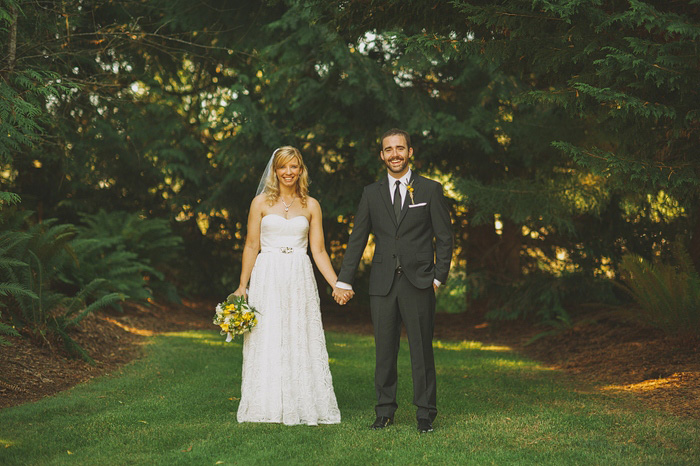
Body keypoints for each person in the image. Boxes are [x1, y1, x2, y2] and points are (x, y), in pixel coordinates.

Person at [333, 128, 453, 433]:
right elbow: (358, 239)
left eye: (400, 148)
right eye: (389, 150)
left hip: (419, 282)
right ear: (382, 155)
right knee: (384, 350)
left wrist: (438, 278)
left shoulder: (430, 190)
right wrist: (344, 280)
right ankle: (384, 411)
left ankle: (425, 413)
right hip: (382, 283)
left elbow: (445, 237)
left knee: (421, 350)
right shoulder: (370, 194)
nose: (395, 154)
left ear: (410, 152)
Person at [232, 146, 343, 426]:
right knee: (267, 334)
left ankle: (302, 400)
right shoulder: (259, 203)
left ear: (301, 170)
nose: (289, 172)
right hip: (267, 273)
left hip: (298, 275)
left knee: (299, 333)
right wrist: (242, 285)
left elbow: (318, 250)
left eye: (294, 166)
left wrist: (336, 284)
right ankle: (266, 402)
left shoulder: (311, 205)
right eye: (283, 167)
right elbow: (251, 245)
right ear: (275, 170)